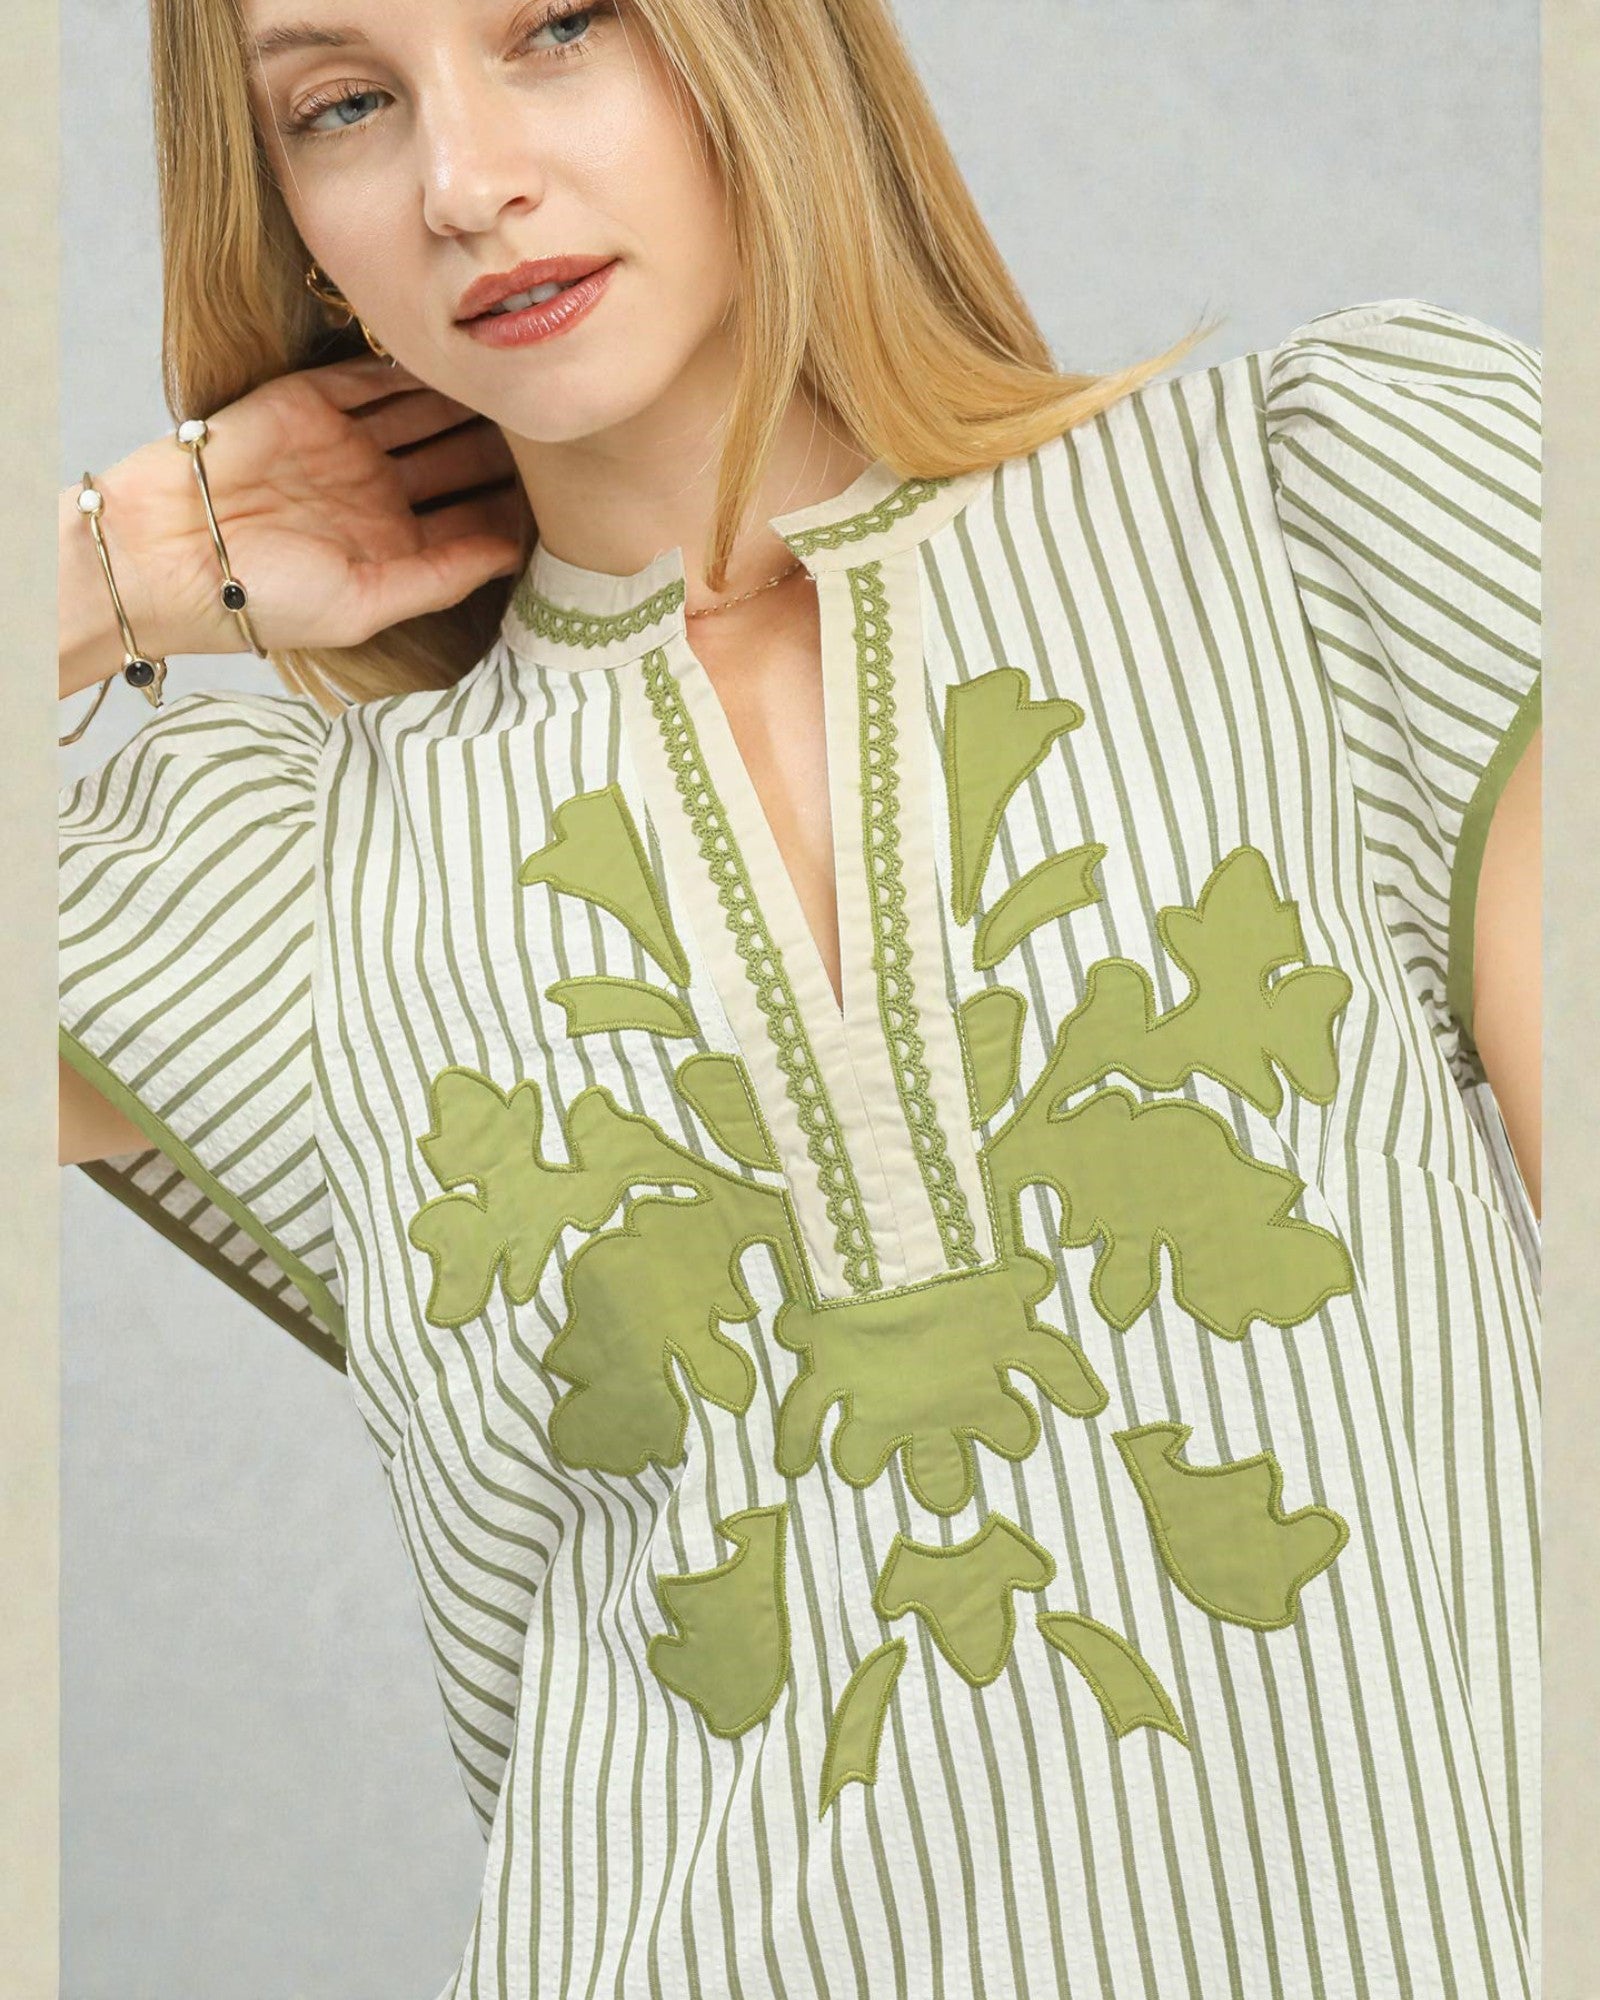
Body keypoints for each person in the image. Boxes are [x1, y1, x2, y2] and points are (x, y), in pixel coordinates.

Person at [57, 0, 1543, 1993]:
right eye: (340, 107)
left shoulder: (1323, 516)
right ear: (289, 219)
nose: (462, 180)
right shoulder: (297, 882)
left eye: (557, 27)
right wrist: (116, 565)